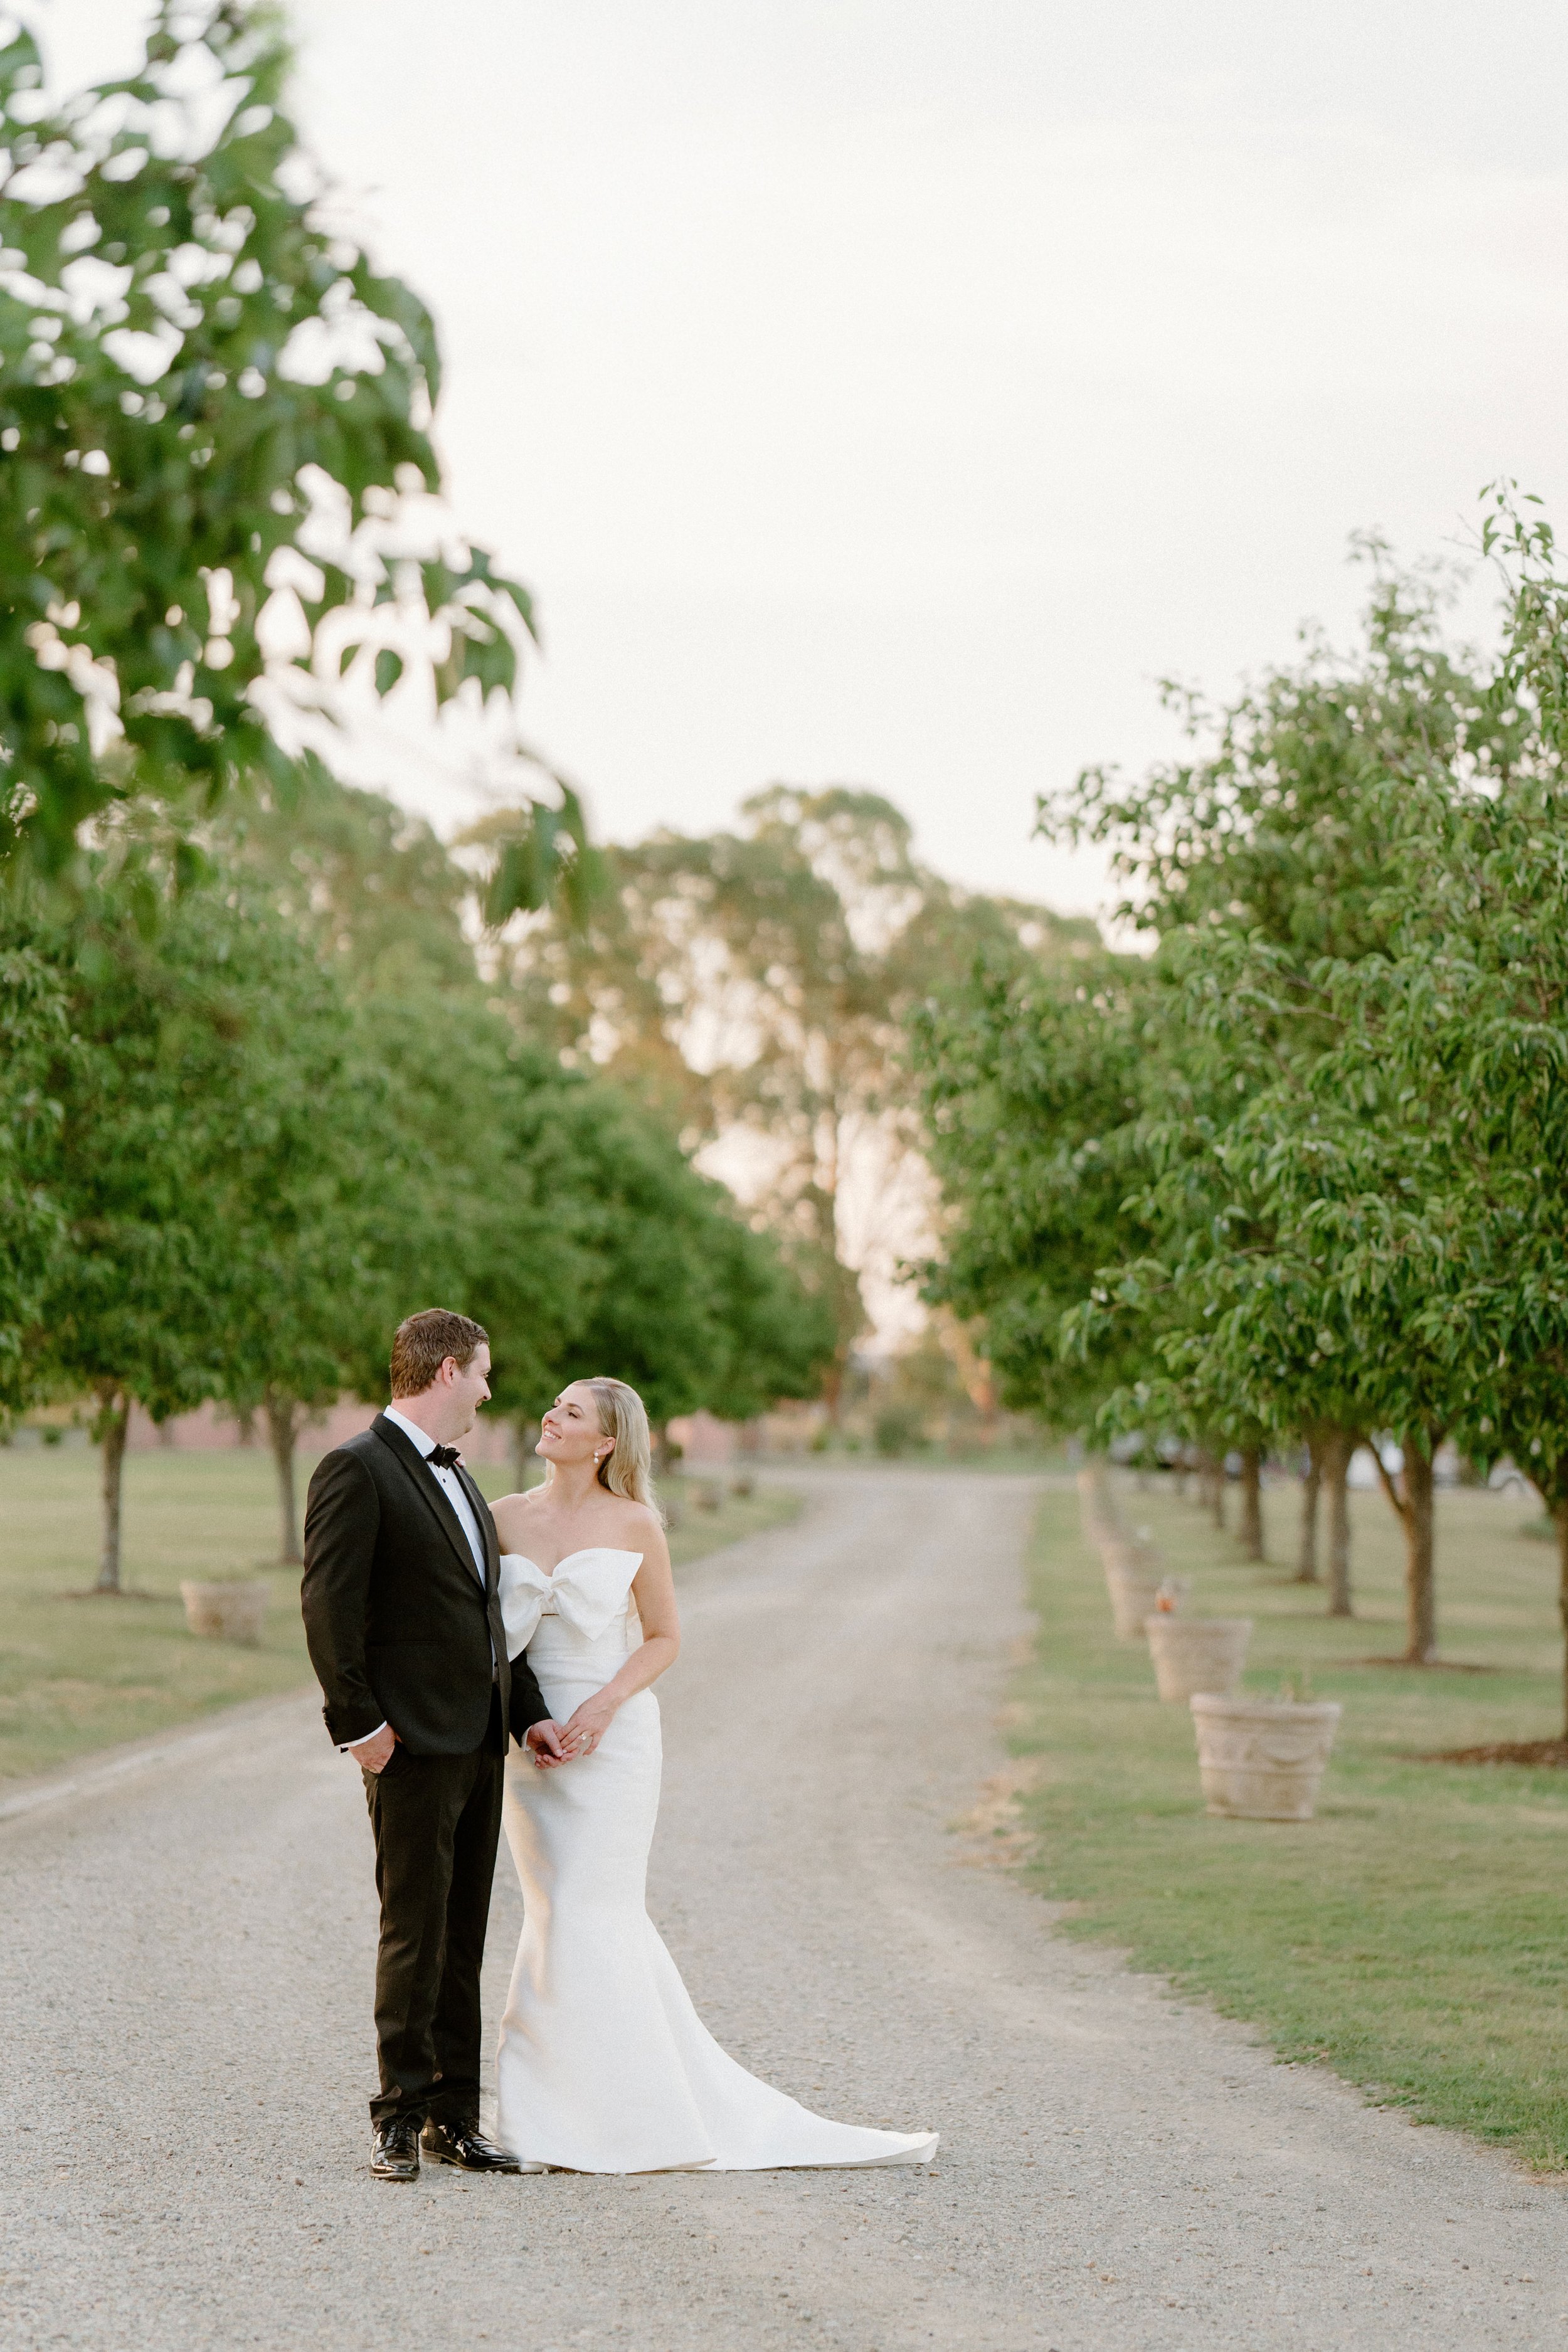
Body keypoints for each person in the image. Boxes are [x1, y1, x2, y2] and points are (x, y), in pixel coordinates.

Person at [489, 1374, 938, 2172]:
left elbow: (663, 1636)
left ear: (606, 1443)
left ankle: (629, 2119)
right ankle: (547, 2116)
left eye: (571, 1412)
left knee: (598, 1907)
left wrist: (601, 1708)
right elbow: (493, 1639)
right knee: (553, 1911)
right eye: (552, 1405)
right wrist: (534, 1721)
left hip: (613, 1740)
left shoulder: (636, 1523)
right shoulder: (502, 1518)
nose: (550, 1416)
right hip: (535, 1745)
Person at [300, 1308, 569, 2183]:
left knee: (463, 1932)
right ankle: (397, 2116)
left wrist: (524, 1712)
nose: (491, 1391)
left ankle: (455, 2116)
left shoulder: (463, 1479)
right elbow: (329, 1607)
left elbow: (491, 1620)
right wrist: (361, 1727)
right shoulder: (357, 1468)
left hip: (481, 1741)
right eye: (484, 1373)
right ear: (447, 1370)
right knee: (413, 1929)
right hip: (407, 1743)